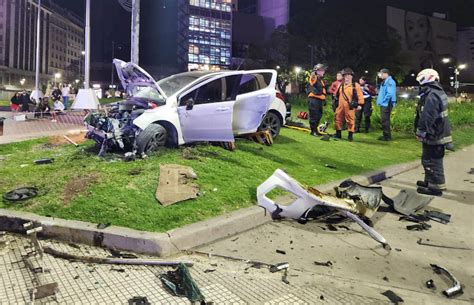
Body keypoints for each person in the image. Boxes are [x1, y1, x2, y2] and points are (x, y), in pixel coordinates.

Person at [414, 69, 452, 196]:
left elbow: (428, 116)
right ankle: (429, 181)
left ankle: (435, 188)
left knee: (432, 161)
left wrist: (421, 132)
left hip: (435, 133)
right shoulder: (435, 92)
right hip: (436, 132)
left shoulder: (432, 95)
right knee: (428, 158)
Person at [334, 68, 364, 141]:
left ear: (352, 76)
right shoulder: (341, 85)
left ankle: (350, 136)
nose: (346, 77)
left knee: (350, 120)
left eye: (348, 76)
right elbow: (336, 95)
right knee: (338, 118)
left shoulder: (355, 85)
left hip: (350, 106)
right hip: (340, 106)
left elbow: (360, 96)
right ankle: (338, 134)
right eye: (345, 76)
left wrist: (360, 104)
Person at [306, 63, 327, 136]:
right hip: (314, 100)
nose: (323, 72)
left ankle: (315, 130)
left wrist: (324, 100)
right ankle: (313, 131)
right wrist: (313, 74)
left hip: (319, 100)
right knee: (314, 115)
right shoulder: (314, 77)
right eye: (322, 70)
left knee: (318, 115)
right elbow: (312, 80)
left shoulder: (321, 80)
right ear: (317, 71)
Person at [376, 68, 396, 141]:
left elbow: (389, 94)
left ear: (386, 74)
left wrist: (384, 101)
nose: (380, 75)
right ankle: (385, 135)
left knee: (385, 120)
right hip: (384, 103)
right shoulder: (385, 81)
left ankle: (387, 136)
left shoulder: (390, 82)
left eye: (381, 74)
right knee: (384, 119)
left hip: (386, 103)